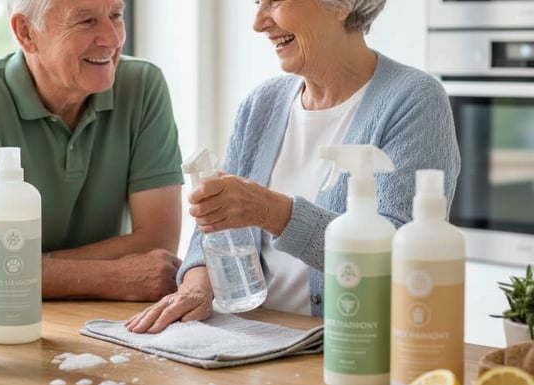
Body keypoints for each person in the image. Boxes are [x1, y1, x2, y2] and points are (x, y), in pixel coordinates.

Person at [125, 0, 461, 333]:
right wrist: (197, 283)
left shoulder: (414, 100)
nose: (258, 23)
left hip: (355, 350)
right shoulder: (262, 104)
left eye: (274, 1)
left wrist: (271, 211)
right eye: (257, 3)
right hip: (256, 343)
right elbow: (217, 224)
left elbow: (401, 254)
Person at [0, 0, 184, 301]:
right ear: (26, 32)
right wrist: (112, 277)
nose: (113, 39)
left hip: (113, 322)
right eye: (86, 21)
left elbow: (158, 244)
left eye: (116, 15)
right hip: (4, 321)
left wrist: (25, 269)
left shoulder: (143, 85)